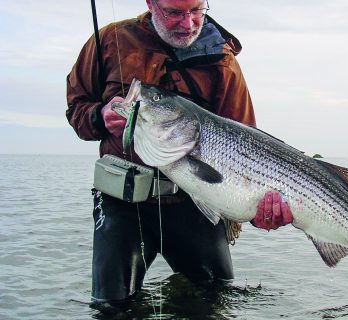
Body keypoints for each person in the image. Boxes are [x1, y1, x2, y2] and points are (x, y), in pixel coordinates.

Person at [66, 0, 293, 314]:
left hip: (195, 203)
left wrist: (258, 207)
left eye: (197, 10)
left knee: (215, 300)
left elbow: (246, 152)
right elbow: (77, 108)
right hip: (123, 203)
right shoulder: (108, 41)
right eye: (173, 12)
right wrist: (98, 115)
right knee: (110, 308)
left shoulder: (222, 61)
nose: (187, 24)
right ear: (150, 2)